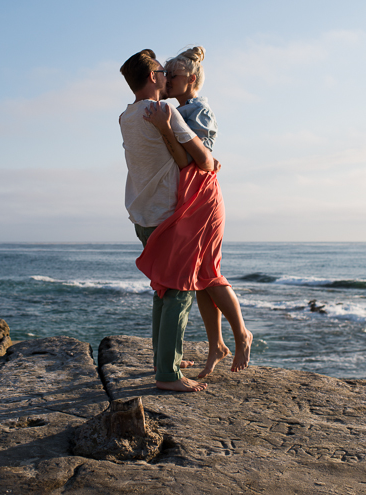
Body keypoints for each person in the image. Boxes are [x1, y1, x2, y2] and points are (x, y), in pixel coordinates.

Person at [137, 46, 253, 379]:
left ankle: (242, 334)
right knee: (198, 275)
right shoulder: (179, 109)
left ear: (191, 78)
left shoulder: (198, 111)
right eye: (165, 75)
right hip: (189, 198)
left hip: (202, 199)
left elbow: (195, 160)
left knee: (208, 272)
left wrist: (166, 130)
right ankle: (216, 343)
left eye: (172, 75)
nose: (167, 80)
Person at [119, 49, 216, 393]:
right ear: (152, 78)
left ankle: (165, 359)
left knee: (163, 288)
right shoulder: (165, 111)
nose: (164, 76)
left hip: (142, 215)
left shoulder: (125, 117)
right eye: (161, 71)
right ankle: (168, 375)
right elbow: (204, 161)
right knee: (179, 291)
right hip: (168, 215)